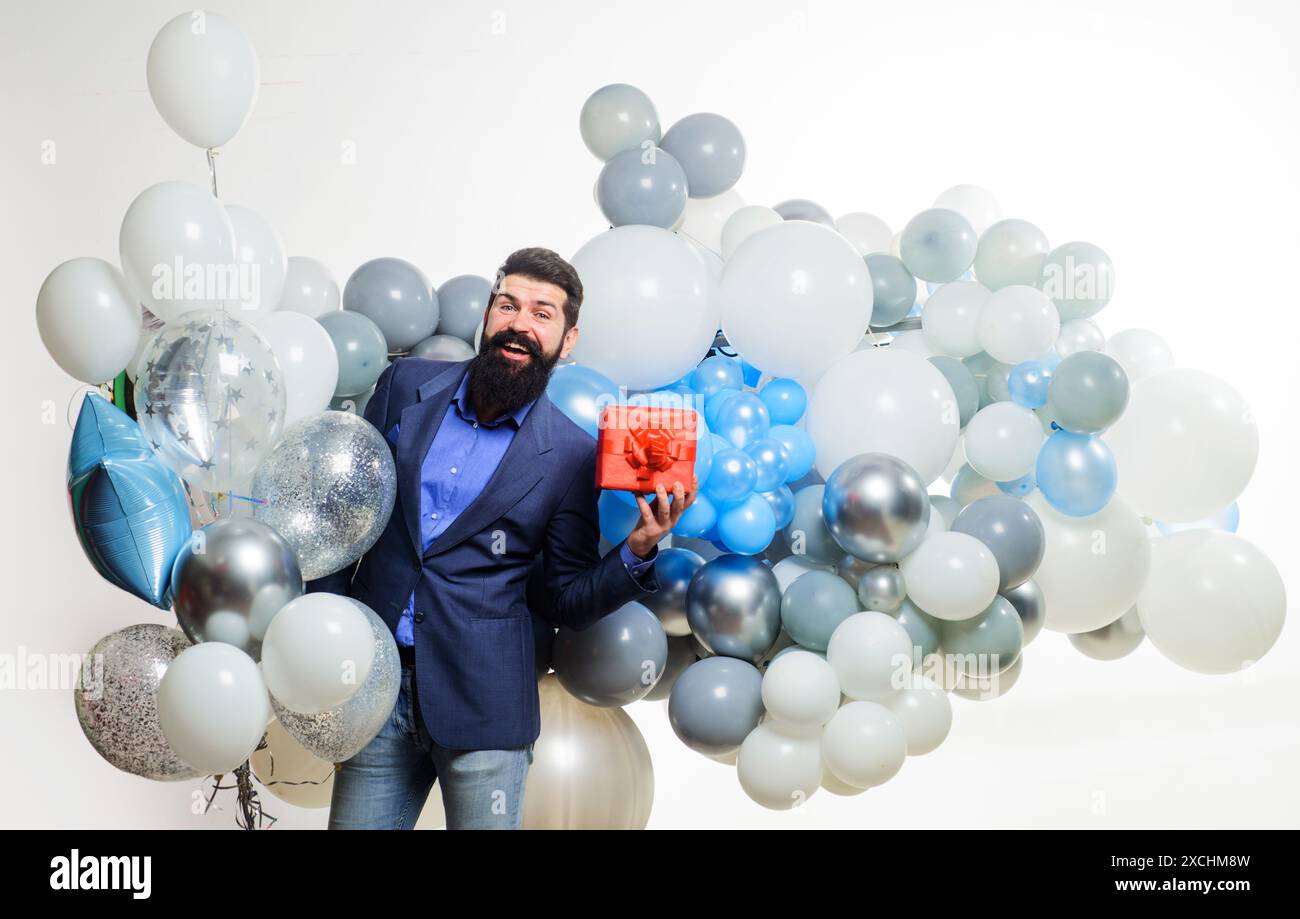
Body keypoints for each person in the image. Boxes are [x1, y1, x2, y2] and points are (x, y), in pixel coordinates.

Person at [307, 246, 696, 829]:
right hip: (373, 684)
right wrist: (324, 629)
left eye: (543, 313)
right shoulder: (404, 385)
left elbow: (564, 597)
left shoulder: (569, 455)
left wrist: (639, 549)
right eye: (508, 305)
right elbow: (347, 509)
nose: (520, 324)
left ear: (567, 342)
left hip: (484, 705)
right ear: (487, 317)